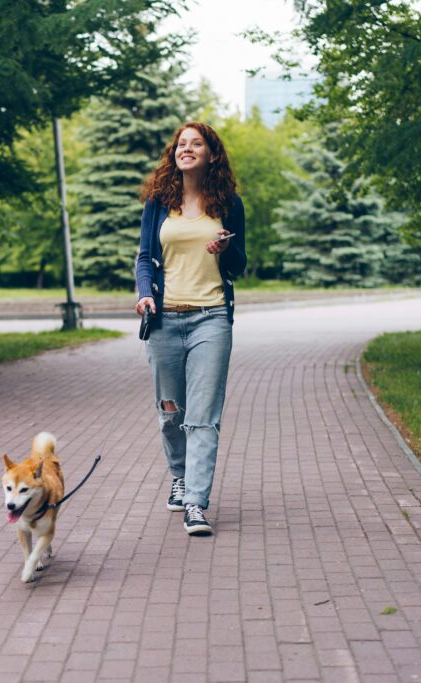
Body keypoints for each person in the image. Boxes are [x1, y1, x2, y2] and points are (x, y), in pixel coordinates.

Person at [135, 121, 246, 536]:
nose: (187, 149)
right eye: (182, 143)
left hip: (211, 318)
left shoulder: (229, 203)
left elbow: (239, 266)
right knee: (171, 413)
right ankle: (179, 477)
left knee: (203, 416)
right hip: (164, 319)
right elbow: (145, 258)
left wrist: (227, 247)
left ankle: (196, 503)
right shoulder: (158, 202)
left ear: (210, 153)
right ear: (174, 154)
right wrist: (145, 292)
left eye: (196, 143)